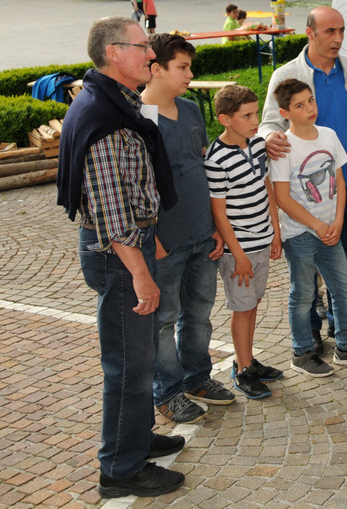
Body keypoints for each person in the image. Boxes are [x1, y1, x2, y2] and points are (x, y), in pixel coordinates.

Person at [56, 16, 185, 498]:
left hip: (131, 245)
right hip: (119, 254)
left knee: (139, 357)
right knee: (129, 365)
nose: (151, 54)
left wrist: (152, 240)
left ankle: (135, 438)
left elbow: (131, 191)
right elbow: (112, 212)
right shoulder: (104, 118)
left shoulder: (114, 102)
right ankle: (120, 469)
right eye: (142, 46)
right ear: (113, 52)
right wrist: (141, 274)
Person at [259, 6, 347, 352]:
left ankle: (340, 323)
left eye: (341, 31)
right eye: (329, 31)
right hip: (306, 195)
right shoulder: (287, 74)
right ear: (310, 33)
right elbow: (269, 123)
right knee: (307, 268)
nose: (337, 38)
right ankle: (311, 326)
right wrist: (268, 138)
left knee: (346, 257)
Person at [141, 33, 235, 425]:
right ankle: (167, 393)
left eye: (190, 67)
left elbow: (203, 170)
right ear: (156, 69)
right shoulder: (139, 119)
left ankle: (197, 378)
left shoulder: (191, 110)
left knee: (199, 314)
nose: (190, 75)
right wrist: (155, 239)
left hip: (202, 236)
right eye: (182, 67)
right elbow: (137, 188)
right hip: (165, 243)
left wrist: (215, 226)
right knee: (163, 321)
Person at [269, 79, 347, 376]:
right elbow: (282, 197)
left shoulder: (329, 135)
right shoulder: (284, 147)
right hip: (300, 234)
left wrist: (338, 220)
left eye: (311, 100)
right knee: (303, 294)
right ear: (285, 112)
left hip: (330, 230)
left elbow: (340, 180)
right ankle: (301, 353)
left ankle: (346, 347)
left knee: (343, 286)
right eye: (300, 105)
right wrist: (317, 225)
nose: (310, 108)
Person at [204, 85, 283, 399]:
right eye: (247, 115)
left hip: (262, 240)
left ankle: (247, 359)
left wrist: (275, 231)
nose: (255, 121)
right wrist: (237, 254)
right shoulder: (216, 159)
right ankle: (243, 370)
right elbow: (219, 213)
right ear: (225, 119)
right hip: (239, 250)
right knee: (243, 307)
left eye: (255, 113)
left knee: (253, 303)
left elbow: (266, 187)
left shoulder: (258, 145)